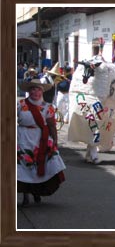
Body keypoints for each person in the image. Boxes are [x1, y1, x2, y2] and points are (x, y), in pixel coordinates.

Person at [17, 78, 66, 206]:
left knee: (41, 165)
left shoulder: (47, 107)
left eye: (38, 89)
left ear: (42, 91)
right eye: (33, 89)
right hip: (22, 137)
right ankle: (25, 195)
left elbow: (51, 125)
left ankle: (36, 192)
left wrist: (54, 140)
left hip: (41, 138)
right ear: (29, 91)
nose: (35, 92)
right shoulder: (20, 105)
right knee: (22, 167)